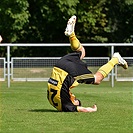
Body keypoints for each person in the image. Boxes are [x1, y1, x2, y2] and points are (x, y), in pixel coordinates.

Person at [47, 15, 128, 112]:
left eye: (75, 99)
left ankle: (115, 58)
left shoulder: (67, 106)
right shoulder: (55, 102)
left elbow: (82, 109)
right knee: (81, 52)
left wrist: (91, 109)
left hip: (69, 72)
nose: (74, 96)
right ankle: (72, 35)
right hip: (59, 65)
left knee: (97, 79)